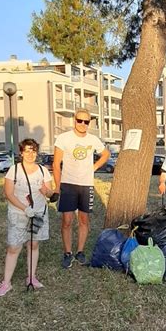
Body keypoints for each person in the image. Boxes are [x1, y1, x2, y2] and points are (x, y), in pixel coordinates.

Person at [0, 138, 54, 296]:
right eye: (27, 150)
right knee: (14, 247)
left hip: (38, 214)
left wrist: (49, 193)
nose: (30, 154)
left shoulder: (43, 170)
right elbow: (8, 193)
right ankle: (6, 283)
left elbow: (48, 191)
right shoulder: (14, 170)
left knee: (33, 245)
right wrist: (25, 208)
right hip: (18, 214)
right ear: (21, 152)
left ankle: (31, 278)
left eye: (33, 150)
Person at [53, 109, 110, 268]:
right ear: (74, 120)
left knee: (84, 220)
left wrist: (95, 166)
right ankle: (67, 253)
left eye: (86, 121)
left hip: (86, 184)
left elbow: (106, 154)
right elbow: (56, 164)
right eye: (80, 120)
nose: (83, 124)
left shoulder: (93, 139)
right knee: (67, 221)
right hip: (68, 183)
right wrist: (57, 186)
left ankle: (80, 252)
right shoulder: (64, 138)